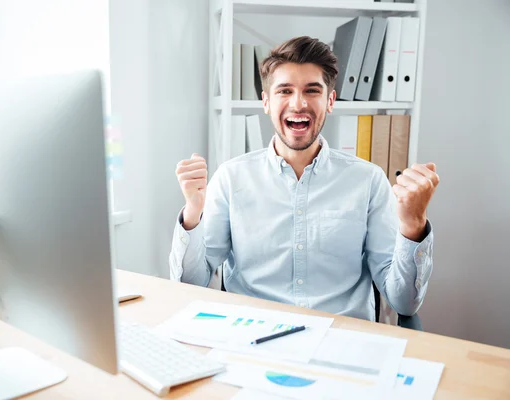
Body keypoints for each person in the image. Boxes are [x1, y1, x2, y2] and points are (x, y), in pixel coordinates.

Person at [169, 36, 439, 321]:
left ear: (330, 101)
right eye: (285, 91)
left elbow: (404, 303)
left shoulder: (368, 181)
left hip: (342, 341)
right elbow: (189, 286)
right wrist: (192, 213)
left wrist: (413, 224)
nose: (298, 104)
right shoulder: (231, 178)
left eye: (312, 91)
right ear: (266, 102)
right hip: (253, 337)